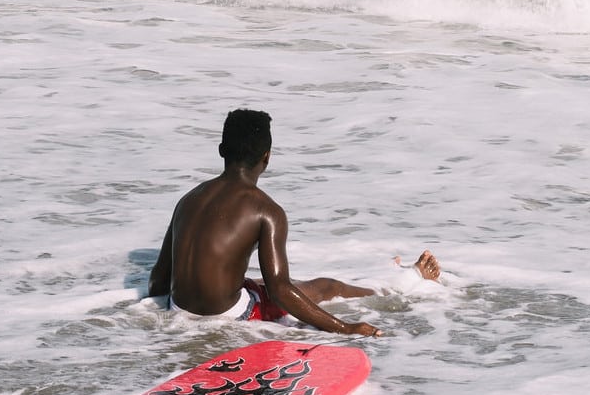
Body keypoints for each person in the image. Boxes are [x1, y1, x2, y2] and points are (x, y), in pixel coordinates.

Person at [148, 109, 440, 338]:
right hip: (231, 316)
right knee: (326, 286)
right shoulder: (266, 210)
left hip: (179, 309)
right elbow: (280, 291)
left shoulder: (188, 200)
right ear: (267, 157)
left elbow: (157, 281)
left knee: (255, 282)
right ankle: (405, 282)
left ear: (221, 149)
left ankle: (388, 273)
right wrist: (345, 328)